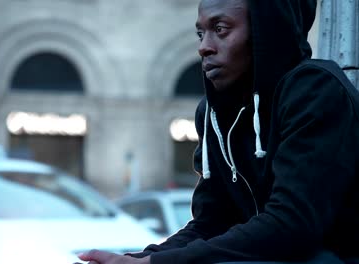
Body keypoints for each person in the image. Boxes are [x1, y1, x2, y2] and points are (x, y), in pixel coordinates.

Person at [77, 0, 359, 263]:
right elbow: (211, 223)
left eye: (220, 29)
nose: (204, 47)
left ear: (266, 30)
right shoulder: (213, 112)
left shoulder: (314, 91)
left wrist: (157, 262)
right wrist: (138, 259)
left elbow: (291, 225)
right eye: (201, 34)